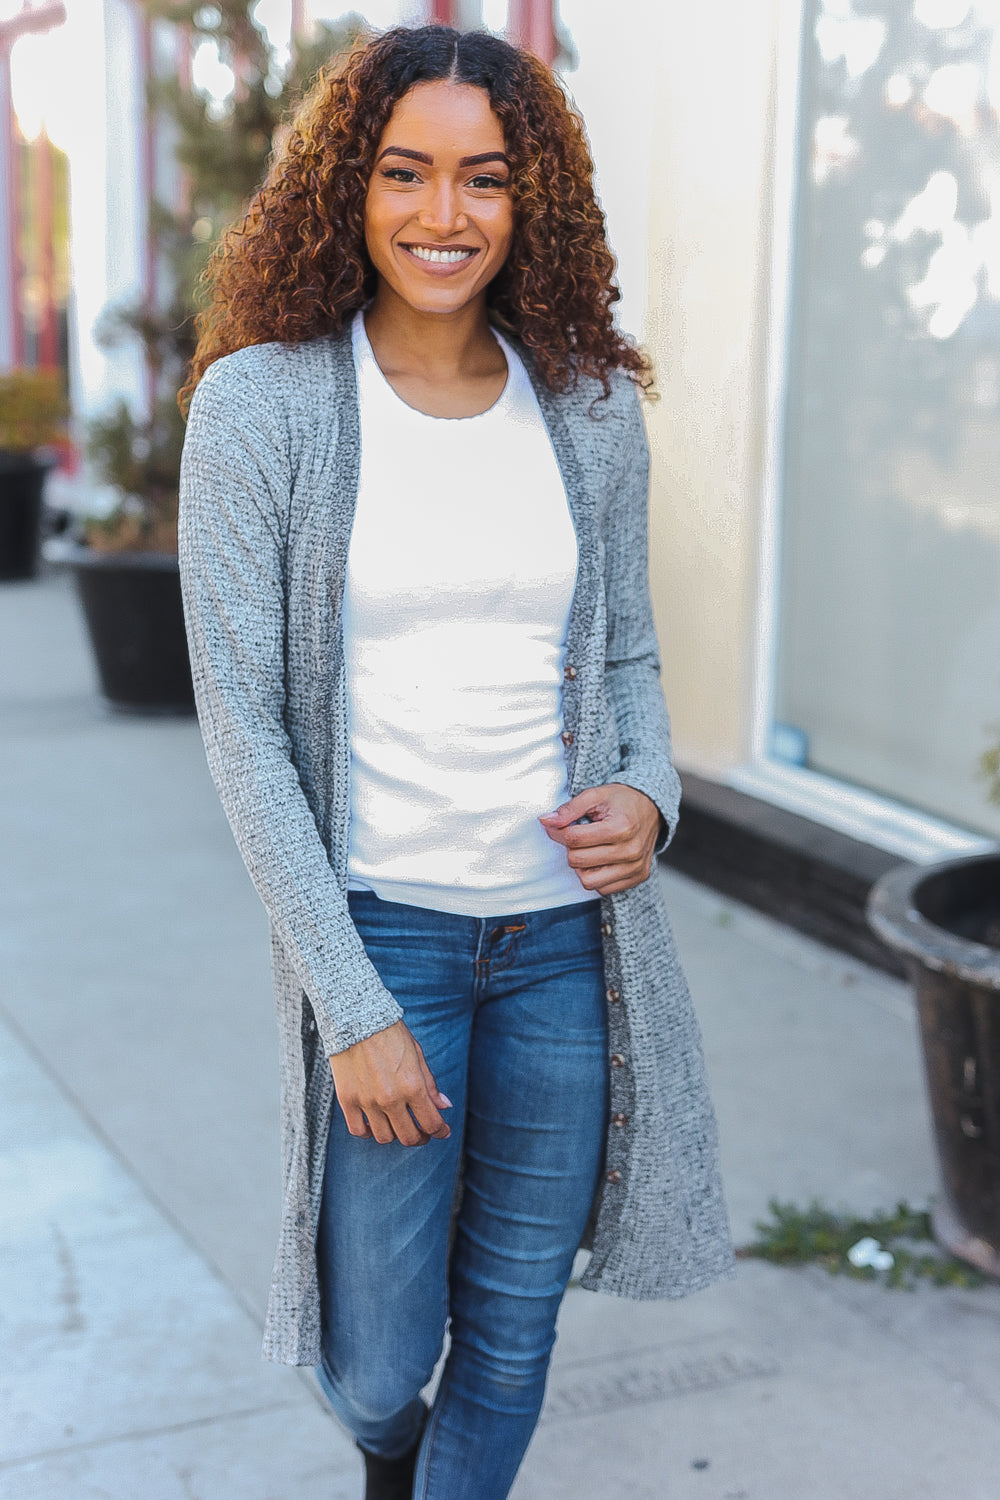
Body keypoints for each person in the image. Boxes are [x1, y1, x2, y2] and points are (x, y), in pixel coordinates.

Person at [177, 23, 733, 1500]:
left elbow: (623, 655)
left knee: (509, 1335)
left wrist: (654, 799)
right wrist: (345, 1002)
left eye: (483, 180)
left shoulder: (592, 408)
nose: (444, 216)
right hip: (386, 941)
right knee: (373, 1363)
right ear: (345, 189)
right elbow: (240, 728)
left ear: (528, 199)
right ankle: (391, 1460)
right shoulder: (266, 409)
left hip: (562, 940)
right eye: (405, 174)